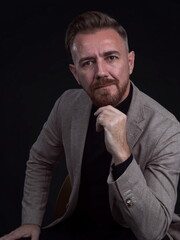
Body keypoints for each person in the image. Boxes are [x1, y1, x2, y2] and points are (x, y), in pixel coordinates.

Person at [0, 10, 180, 240]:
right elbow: (40, 160)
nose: (101, 72)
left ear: (131, 62)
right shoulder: (67, 104)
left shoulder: (166, 129)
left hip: (132, 233)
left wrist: (123, 155)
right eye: (88, 63)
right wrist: (31, 221)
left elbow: (153, 231)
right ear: (75, 73)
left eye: (111, 57)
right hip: (77, 228)